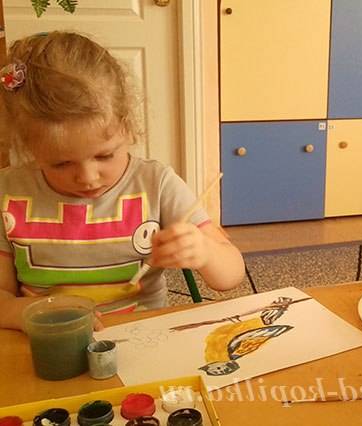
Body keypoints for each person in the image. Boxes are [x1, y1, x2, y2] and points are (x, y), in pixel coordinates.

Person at [0, 31, 246, 331]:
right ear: (28, 147)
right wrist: (29, 312)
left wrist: (205, 252)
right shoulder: (8, 192)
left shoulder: (157, 184)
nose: (88, 178)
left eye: (104, 156)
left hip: (142, 337)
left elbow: (231, 275)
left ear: (128, 128)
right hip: (46, 340)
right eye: (61, 164)